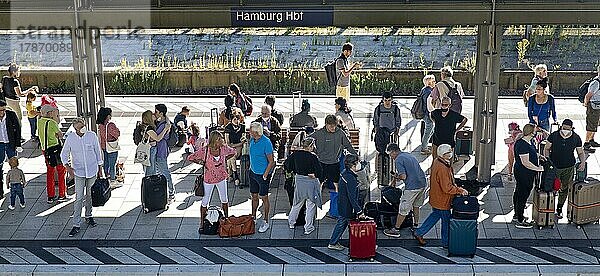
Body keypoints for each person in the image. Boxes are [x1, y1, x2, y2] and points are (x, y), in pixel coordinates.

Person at [412, 144, 469, 247]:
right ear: (444, 154)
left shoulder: (437, 161)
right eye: (449, 152)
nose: (451, 154)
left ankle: (419, 232)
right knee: (446, 222)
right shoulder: (443, 168)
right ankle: (446, 243)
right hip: (443, 200)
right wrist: (459, 190)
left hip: (437, 198)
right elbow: (447, 188)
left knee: (435, 215)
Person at [60, 117, 103, 237]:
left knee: (90, 195)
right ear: (75, 129)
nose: (82, 129)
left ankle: (89, 216)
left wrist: (100, 168)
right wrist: (67, 167)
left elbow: (97, 151)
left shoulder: (92, 135)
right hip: (78, 172)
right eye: (79, 127)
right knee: (79, 197)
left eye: (82, 126)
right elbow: (64, 153)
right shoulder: (71, 138)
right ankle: (76, 224)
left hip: (92, 170)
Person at [189, 131, 236, 233]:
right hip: (209, 179)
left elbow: (233, 152)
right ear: (214, 140)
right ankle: (202, 222)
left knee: (224, 199)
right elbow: (191, 157)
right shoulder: (205, 150)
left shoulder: (223, 148)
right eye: (219, 139)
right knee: (205, 201)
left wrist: (224, 159)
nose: (222, 141)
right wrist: (200, 162)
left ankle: (226, 219)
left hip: (221, 178)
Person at [543, 119, 586, 218]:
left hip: (569, 167)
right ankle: (550, 207)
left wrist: (582, 162)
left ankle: (559, 208)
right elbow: (547, 148)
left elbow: (580, 152)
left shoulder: (576, 138)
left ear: (571, 128)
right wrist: (547, 160)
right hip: (554, 167)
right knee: (552, 187)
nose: (565, 130)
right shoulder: (553, 135)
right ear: (561, 126)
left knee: (564, 189)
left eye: (568, 128)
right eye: (564, 128)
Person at [383, 143, 427, 238]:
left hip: (412, 187)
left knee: (403, 208)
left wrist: (397, 177)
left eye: (391, 154)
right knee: (416, 206)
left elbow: (403, 176)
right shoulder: (408, 155)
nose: (391, 157)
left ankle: (396, 229)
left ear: (394, 152)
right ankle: (415, 225)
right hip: (422, 183)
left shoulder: (398, 159)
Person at [284, 137, 323, 235]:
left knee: (297, 203)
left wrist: (295, 170)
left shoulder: (295, 154)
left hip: (299, 181)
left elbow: (287, 164)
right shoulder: (313, 157)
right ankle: (308, 227)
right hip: (310, 182)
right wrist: (315, 175)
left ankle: (291, 223)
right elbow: (319, 171)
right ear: (311, 146)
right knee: (311, 205)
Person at [310, 114, 358, 192]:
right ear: (326, 124)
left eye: (334, 126)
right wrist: (314, 151)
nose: (333, 128)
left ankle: (338, 198)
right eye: (331, 126)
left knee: (337, 183)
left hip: (334, 163)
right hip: (321, 162)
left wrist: (356, 155)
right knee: (319, 183)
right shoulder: (319, 133)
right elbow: (308, 140)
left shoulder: (340, 133)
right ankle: (317, 199)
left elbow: (348, 145)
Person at [327, 154, 365, 250]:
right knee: (342, 223)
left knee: (342, 223)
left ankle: (335, 242)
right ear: (353, 165)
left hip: (343, 204)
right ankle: (334, 243)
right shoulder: (350, 178)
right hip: (346, 206)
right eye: (358, 162)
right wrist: (359, 211)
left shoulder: (346, 173)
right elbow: (352, 197)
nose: (359, 164)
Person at [512, 123, 544, 229]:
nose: (536, 132)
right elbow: (525, 162)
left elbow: (532, 153)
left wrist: (539, 156)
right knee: (523, 194)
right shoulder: (522, 145)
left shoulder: (528, 142)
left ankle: (517, 214)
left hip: (524, 172)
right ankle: (520, 219)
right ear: (531, 132)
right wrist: (538, 169)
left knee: (519, 192)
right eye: (535, 130)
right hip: (524, 173)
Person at [248, 122, 276, 233]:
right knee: (254, 196)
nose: (249, 132)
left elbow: (271, 161)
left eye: (250, 130)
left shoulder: (266, 143)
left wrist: (265, 175)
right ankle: (253, 216)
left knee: (264, 197)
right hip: (253, 173)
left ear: (255, 132)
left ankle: (265, 220)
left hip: (262, 175)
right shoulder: (252, 140)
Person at [37, 104, 67, 203]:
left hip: (45, 150)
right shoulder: (52, 123)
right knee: (61, 171)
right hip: (55, 149)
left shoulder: (39, 121)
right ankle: (62, 194)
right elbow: (60, 135)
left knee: (50, 172)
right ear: (49, 113)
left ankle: (50, 196)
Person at [97, 107, 121, 188]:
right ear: (108, 116)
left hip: (104, 146)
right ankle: (113, 180)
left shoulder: (100, 125)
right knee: (112, 164)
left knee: (106, 162)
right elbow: (117, 134)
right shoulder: (110, 125)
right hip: (111, 147)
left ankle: (107, 177)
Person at [140, 110, 170, 177]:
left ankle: (151, 184)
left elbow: (166, 118)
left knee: (153, 169)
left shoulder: (151, 125)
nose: (154, 114)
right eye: (152, 114)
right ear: (149, 117)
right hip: (150, 150)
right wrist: (165, 129)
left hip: (151, 149)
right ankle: (149, 184)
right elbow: (158, 138)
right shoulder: (149, 128)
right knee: (150, 170)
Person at [154, 104, 175, 199]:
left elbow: (158, 137)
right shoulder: (163, 121)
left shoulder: (164, 125)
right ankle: (164, 191)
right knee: (160, 171)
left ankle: (171, 192)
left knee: (164, 171)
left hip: (161, 150)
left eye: (156, 111)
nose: (155, 113)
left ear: (161, 113)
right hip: (161, 149)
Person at [224, 114, 246, 184]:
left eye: (238, 119)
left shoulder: (242, 127)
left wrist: (238, 144)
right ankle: (235, 176)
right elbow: (228, 143)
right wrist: (238, 144)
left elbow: (243, 140)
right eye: (234, 119)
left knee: (231, 157)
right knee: (232, 157)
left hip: (238, 147)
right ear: (231, 120)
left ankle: (230, 175)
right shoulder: (228, 127)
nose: (237, 121)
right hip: (230, 147)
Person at [583, 66, 600, 152]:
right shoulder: (596, 83)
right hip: (594, 107)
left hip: (597, 106)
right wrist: (586, 104)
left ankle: (591, 140)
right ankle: (586, 143)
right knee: (591, 125)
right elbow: (588, 95)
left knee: (595, 124)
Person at [420, 75, 436, 155]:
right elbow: (428, 105)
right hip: (427, 114)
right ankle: (423, 148)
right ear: (429, 82)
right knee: (428, 131)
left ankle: (425, 145)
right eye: (433, 81)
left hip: (425, 113)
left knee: (430, 130)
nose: (435, 83)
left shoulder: (424, 89)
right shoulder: (428, 92)